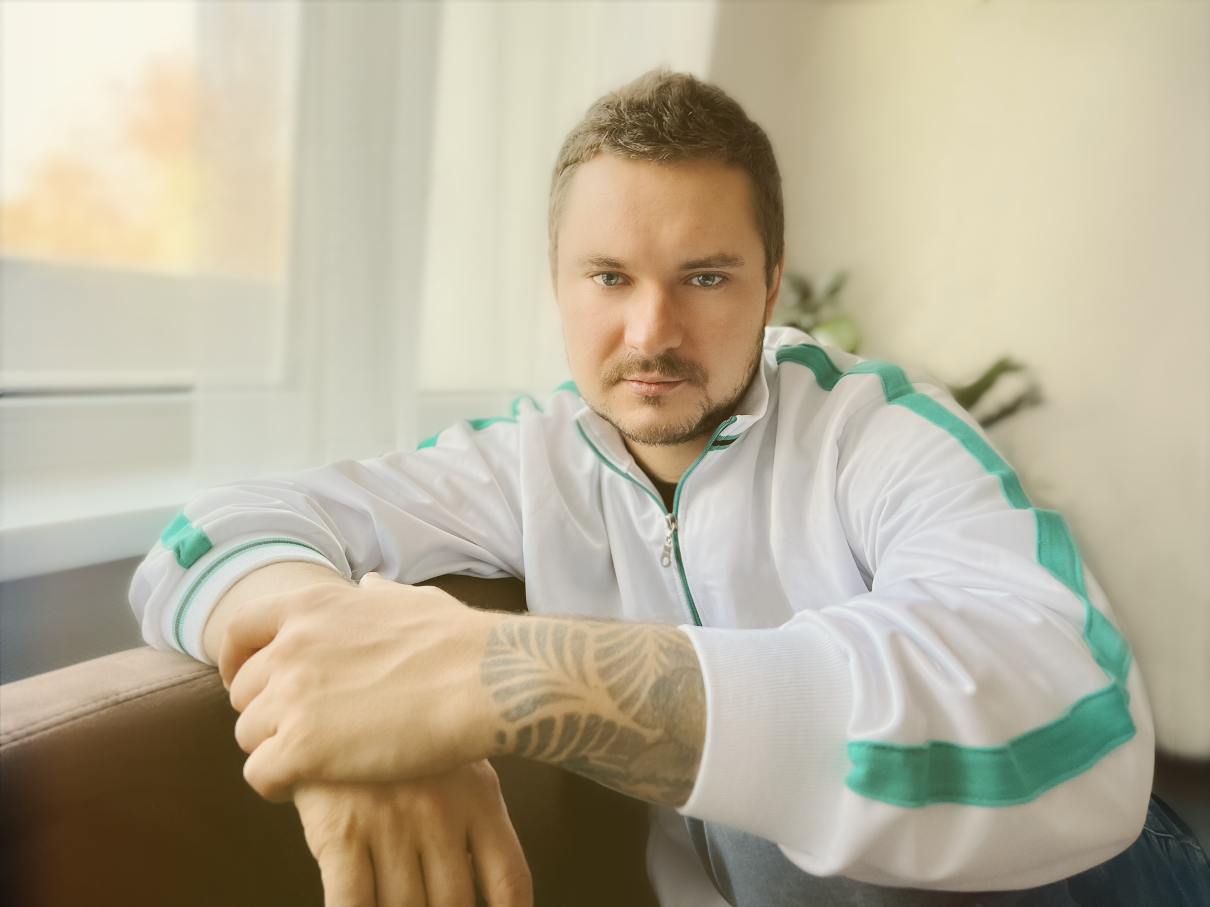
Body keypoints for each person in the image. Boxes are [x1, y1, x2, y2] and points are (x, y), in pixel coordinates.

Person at [130, 70, 1209, 907]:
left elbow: (1076, 717)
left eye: (704, 277)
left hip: (1089, 878)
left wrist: (497, 673)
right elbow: (207, 535)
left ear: (770, 285)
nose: (651, 331)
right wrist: (353, 691)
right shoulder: (526, 457)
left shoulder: (878, 429)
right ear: (559, 286)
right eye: (609, 277)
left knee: (781, 818)